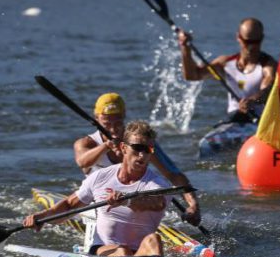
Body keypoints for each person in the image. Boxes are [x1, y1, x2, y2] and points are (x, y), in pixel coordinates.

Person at [25, 121, 171, 257]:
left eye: (148, 150)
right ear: (123, 148)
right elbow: (70, 206)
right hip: (105, 249)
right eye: (138, 148)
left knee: (154, 239)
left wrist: (126, 201)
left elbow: (157, 203)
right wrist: (42, 217)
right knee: (123, 250)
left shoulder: (157, 184)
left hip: (140, 253)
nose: (142, 155)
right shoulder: (100, 177)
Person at [73, 92, 200, 225]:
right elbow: (82, 162)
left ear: (124, 117)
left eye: (118, 123)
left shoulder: (142, 145)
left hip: (133, 202)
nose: (113, 129)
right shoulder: (86, 143)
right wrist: (106, 146)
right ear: (96, 118)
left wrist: (193, 204)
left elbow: (173, 175)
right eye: (107, 124)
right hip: (100, 201)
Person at [177, 18, 278, 156]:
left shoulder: (268, 66)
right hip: (234, 122)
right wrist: (185, 49)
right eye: (248, 42)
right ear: (238, 37)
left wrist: (253, 100)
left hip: (259, 123)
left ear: (262, 39)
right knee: (205, 147)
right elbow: (192, 75)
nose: (252, 47)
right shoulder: (225, 64)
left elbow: (268, 90)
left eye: (256, 42)